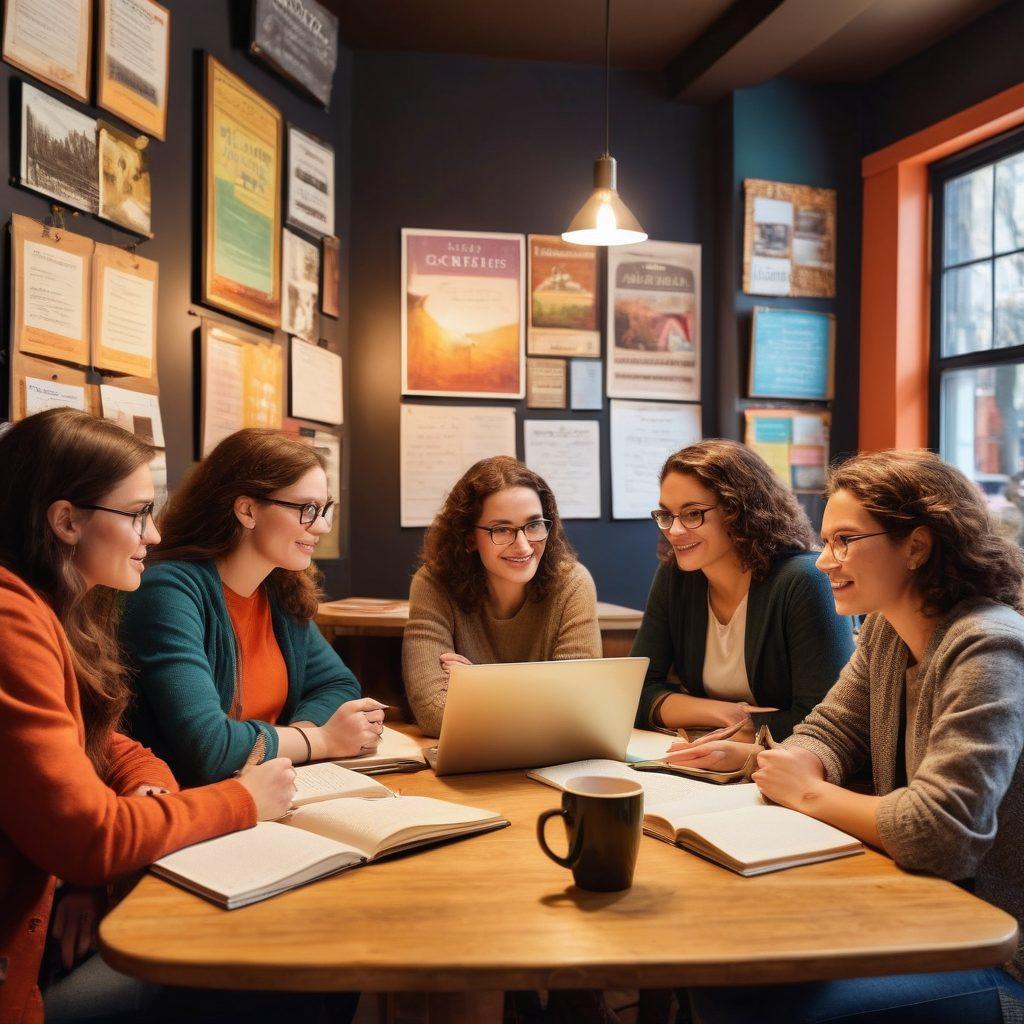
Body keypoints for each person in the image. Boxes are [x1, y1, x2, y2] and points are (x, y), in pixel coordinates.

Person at [672, 449, 1024, 1023]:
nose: (822, 561)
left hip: (1000, 953)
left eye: (844, 540)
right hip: (924, 913)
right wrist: (797, 762)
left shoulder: (990, 645)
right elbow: (830, 729)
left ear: (917, 545)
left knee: (761, 1005)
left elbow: (943, 835)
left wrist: (808, 792)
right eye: (826, 539)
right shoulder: (888, 628)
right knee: (720, 975)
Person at [0, 410, 296, 1024]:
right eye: (137, 514)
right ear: (65, 521)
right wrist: (242, 801)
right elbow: (90, 837)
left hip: (48, 936)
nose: (153, 535)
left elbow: (112, 745)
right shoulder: (10, 624)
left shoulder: (55, 610)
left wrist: (138, 799)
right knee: (270, 976)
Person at [121, 429, 384, 786]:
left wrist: (295, 737)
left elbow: (338, 685)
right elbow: (209, 748)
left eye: (325, 510)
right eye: (307, 509)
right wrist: (320, 740)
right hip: (195, 808)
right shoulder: (168, 591)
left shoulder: (279, 587)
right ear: (247, 510)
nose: (321, 526)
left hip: (270, 792)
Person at [631, 439, 854, 740]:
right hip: (713, 751)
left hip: (796, 766)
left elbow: (826, 718)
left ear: (739, 511)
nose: (675, 530)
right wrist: (728, 715)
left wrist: (734, 729)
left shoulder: (805, 580)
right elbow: (637, 692)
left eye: (693, 514)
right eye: (666, 515)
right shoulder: (676, 577)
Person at [402, 456, 601, 738]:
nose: (522, 546)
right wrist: (541, 695)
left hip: (551, 761)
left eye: (533, 525)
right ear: (469, 537)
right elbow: (434, 712)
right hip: (470, 768)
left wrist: (483, 685)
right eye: (502, 529)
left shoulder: (572, 583)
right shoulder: (433, 583)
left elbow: (578, 707)